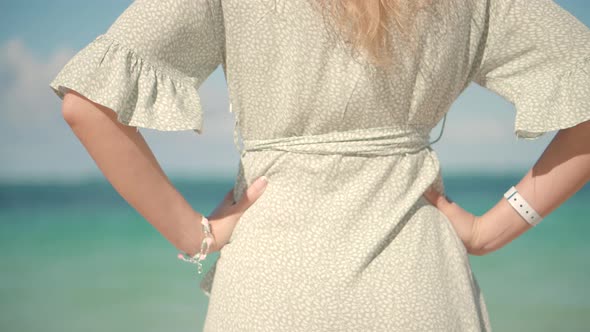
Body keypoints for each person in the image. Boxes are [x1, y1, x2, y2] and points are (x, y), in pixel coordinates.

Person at [48, 0, 590, 330]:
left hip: (269, 296)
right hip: (422, 291)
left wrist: (196, 236)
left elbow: (85, 104)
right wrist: (490, 228)